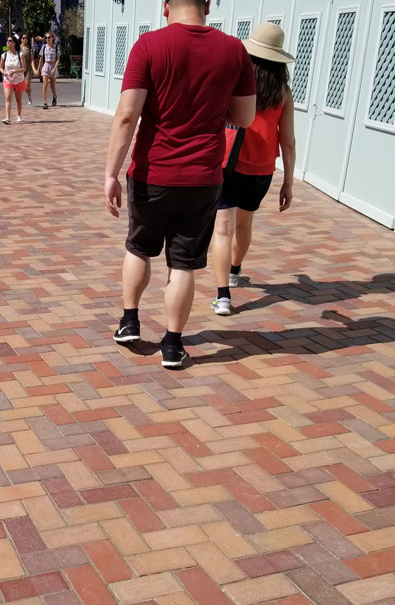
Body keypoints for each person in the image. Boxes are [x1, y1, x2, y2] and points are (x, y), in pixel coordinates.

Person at [104, 0, 255, 369]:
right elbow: (245, 117)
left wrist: (110, 173)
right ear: (207, 4)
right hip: (203, 176)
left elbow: (127, 115)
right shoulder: (234, 50)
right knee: (184, 264)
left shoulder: (149, 46)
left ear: (165, 5)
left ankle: (130, 321)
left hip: (152, 172)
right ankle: (172, 345)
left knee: (139, 248)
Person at [209, 23, 296, 316]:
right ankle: (234, 271)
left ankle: (223, 296)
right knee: (244, 225)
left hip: (228, 163)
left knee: (222, 230)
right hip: (262, 170)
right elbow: (289, 141)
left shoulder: (236, 83)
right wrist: (289, 183)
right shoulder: (283, 92)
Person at [0, 34, 25, 125]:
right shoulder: (4, 55)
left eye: (10, 41)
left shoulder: (20, 54)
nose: (8, 42)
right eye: (7, 41)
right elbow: (1, 68)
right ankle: (7, 118)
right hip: (8, 79)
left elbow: (24, 68)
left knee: (18, 99)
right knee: (8, 98)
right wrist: (4, 72)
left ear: (14, 43)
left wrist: (14, 72)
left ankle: (19, 115)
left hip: (19, 79)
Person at [38, 31, 60, 109]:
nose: (47, 39)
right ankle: (45, 102)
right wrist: (38, 69)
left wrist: (54, 69)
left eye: (49, 37)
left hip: (53, 65)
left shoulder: (56, 47)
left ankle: (54, 96)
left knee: (52, 85)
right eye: (46, 37)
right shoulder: (44, 47)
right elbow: (41, 58)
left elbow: (58, 59)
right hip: (46, 65)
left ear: (53, 38)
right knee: (45, 84)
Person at [19, 33, 34, 107]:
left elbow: (32, 60)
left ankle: (29, 95)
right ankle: (19, 100)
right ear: (21, 39)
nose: (25, 40)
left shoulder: (29, 48)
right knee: (20, 85)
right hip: (20, 68)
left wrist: (34, 69)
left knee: (27, 85)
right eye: (23, 38)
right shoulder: (18, 48)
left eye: (26, 38)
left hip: (28, 68)